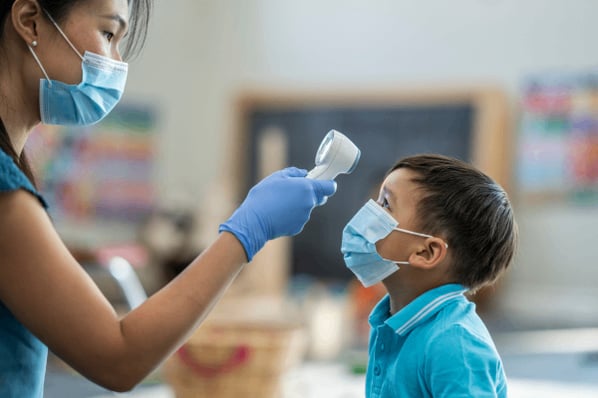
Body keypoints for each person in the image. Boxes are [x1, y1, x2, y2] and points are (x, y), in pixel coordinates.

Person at [0, 0, 336, 396]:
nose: (117, 60)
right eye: (108, 33)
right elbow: (119, 356)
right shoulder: (7, 196)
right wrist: (247, 232)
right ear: (30, 21)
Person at [341, 154, 517, 397]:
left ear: (426, 251)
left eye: (385, 204)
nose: (369, 211)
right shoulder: (391, 322)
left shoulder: (455, 345)